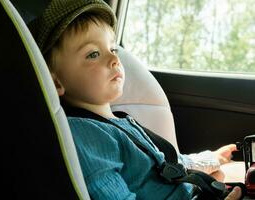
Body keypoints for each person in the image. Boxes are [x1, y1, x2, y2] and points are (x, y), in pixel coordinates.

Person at [30, 0, 242, 199]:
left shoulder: (120, 121)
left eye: (112, 49)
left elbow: (170, 164)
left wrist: (213, 158)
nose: (114, 59)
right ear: (56, 82)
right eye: (93, 54)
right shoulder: (83, 133)